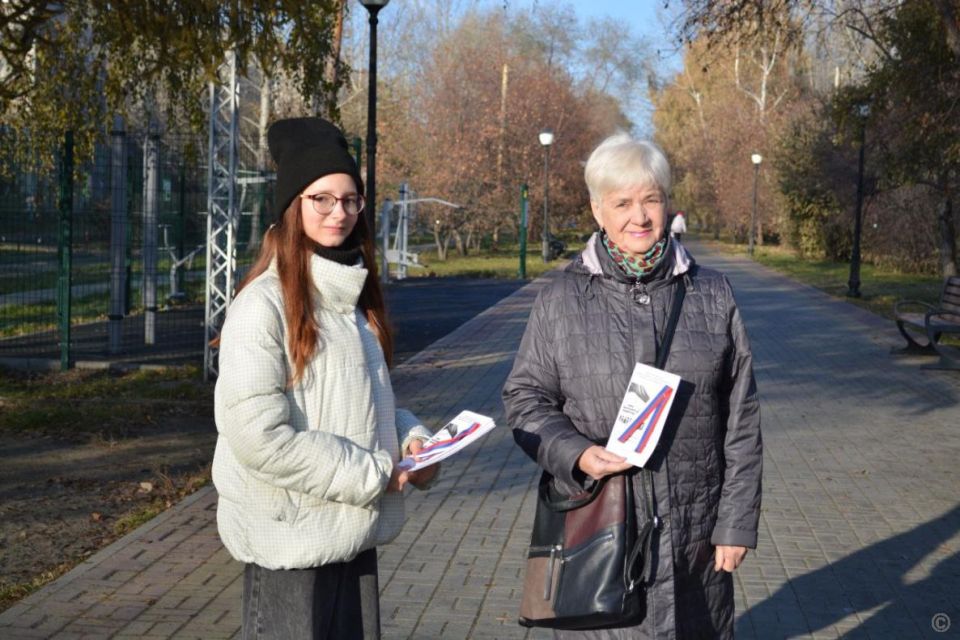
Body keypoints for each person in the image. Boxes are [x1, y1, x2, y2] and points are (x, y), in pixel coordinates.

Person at [503, 133, 761, 639]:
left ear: (668, 204)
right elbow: (524, 397)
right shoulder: (560, 297)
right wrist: (577, 454)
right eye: (622, 203)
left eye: (650, 199)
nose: (638, 217)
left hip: (694, 539)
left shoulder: (711, 293)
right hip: (599, 534)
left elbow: (742, 417)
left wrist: (735, 522)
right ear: (598, 209)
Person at [212, 117, 438, 640]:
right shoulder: (260, 307)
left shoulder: (351, 305)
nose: (339, 212)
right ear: (294, 205)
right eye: (322, 199)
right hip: (291, 547)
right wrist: (374, 474)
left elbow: (367, 403)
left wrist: (416, 441)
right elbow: (258, 438)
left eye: (351, 200)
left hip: (351, 538)